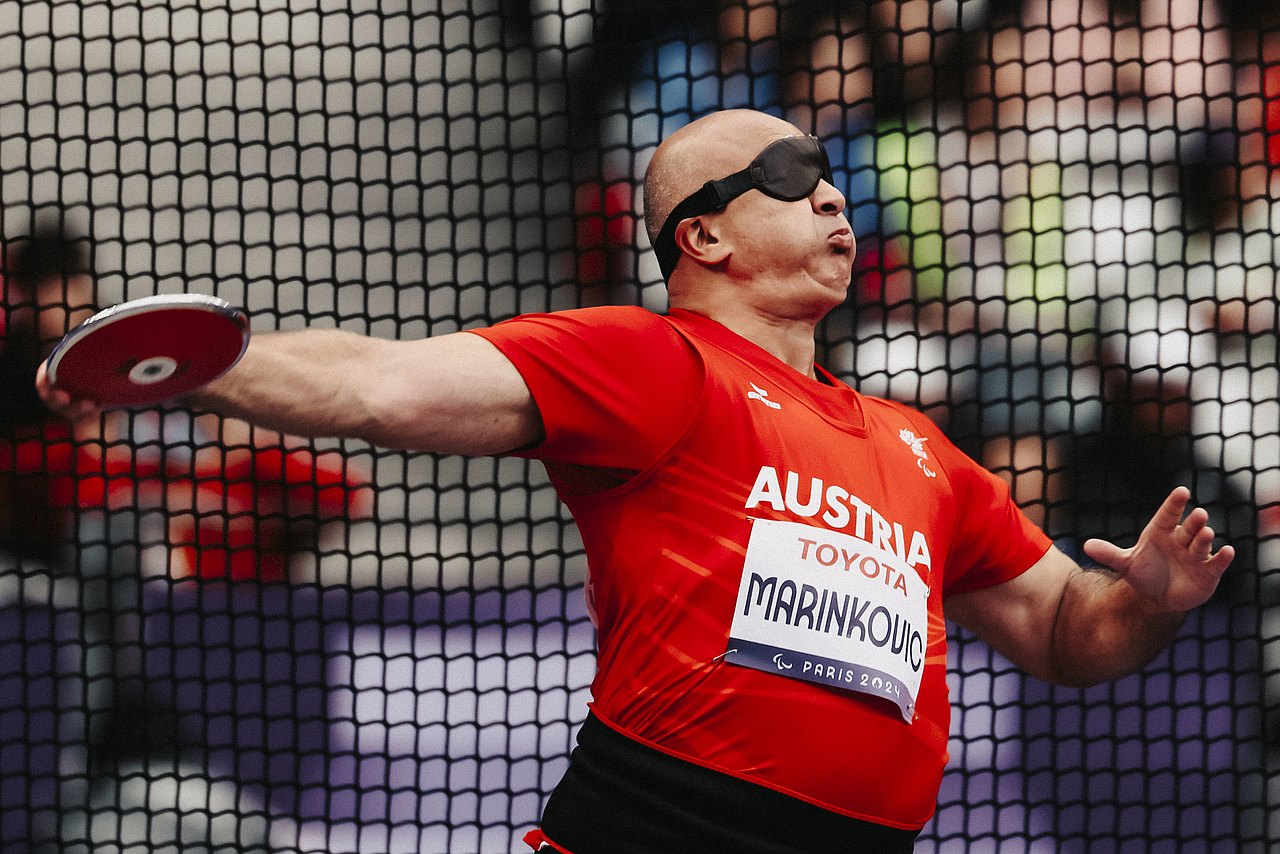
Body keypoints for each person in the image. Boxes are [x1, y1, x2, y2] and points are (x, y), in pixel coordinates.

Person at [38, 109, 1234, 853]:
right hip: (660, 827)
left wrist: (1150, 601)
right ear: (701, 237)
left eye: (827, 174)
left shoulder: (919, 448)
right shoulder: (658, 362)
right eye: (784, 171)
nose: (829, 192)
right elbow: (381, 386)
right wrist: (201, 369)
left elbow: (1067, 631)